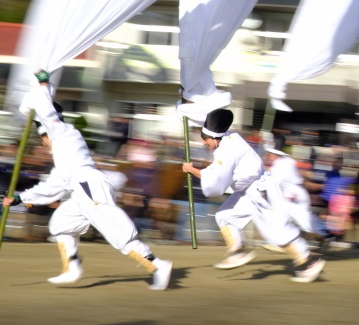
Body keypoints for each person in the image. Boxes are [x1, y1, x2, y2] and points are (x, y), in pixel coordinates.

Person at [2, 77, 172, 290]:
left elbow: (48, 114)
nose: (43, 144)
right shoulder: (62, 154)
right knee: (60, 224)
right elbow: (54, 185)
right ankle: (71, 268)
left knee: (117, 233)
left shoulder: (63, 132)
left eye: (43, 138)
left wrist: (43, 87)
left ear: (46, 132)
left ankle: (158, 265)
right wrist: (20, 198)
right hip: (81, 189)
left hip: (89, 187)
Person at [182, 109, 324, 283]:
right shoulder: (230, 137)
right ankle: (237, 251)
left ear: (214, 137)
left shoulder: (226, 151)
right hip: (248, 192)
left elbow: (215, 181)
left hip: (261, 191)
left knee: (277, 232)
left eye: (205, 140)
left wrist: (192, 170)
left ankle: (309, 263)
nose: (205, 143)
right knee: (225, 216)